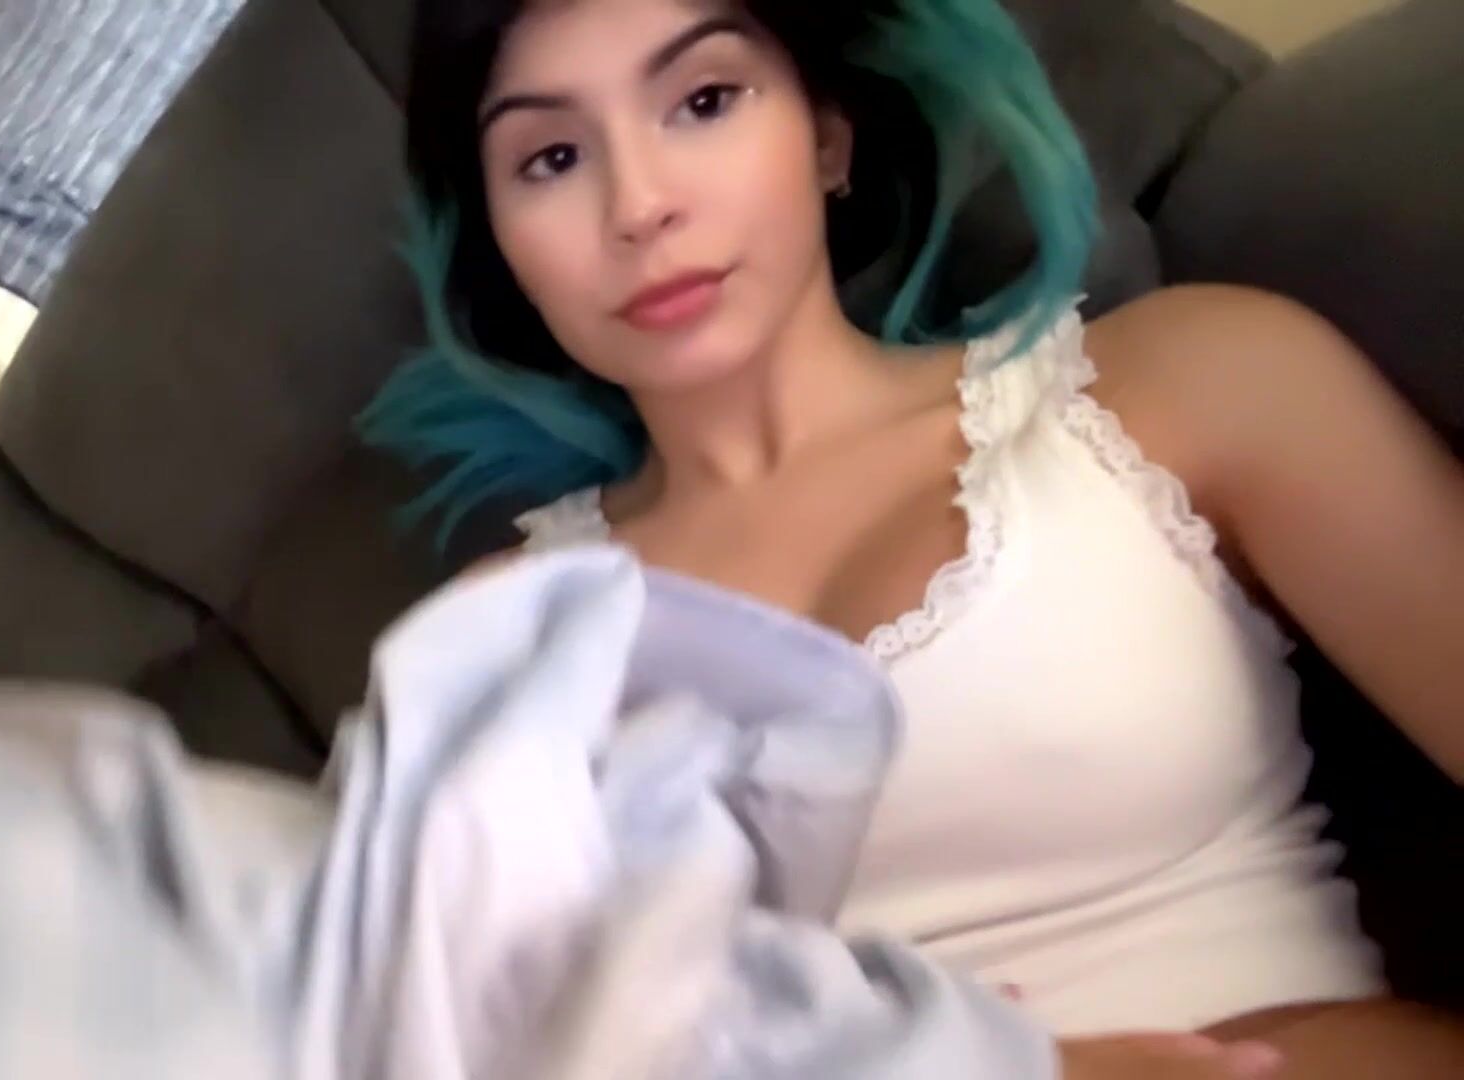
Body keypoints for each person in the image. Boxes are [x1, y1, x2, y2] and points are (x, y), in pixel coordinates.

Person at [359, 0, 1464, 1075]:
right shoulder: (493, 648)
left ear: (827, 136)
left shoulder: (1187, 384)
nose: (640, 205)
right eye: (551, 159)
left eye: (704, 100)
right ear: (500, 243)